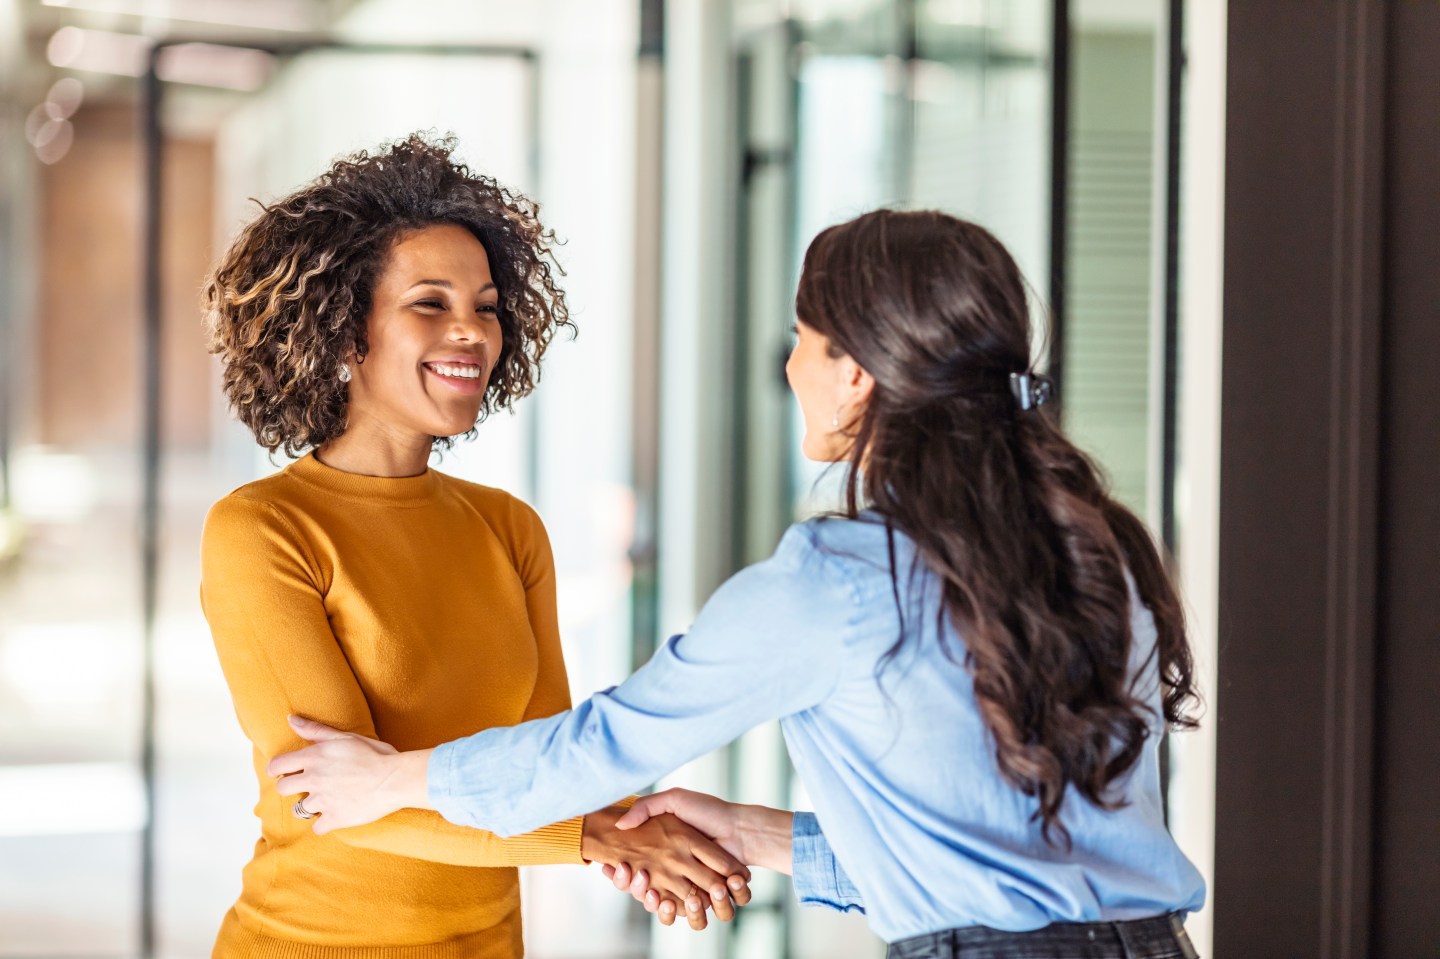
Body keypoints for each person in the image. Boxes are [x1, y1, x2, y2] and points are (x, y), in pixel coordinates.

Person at [272, 209, 1208, 958]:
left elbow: (605, 745)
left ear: (854, 377)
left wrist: (391, 777)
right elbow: (1011, 845)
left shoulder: (835, 581)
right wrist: (753, 833)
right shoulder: (1099, 549)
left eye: (802, 337)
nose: (791, 365)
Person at [199, 133, 749, 959]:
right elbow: (341, 799)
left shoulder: (508, 528)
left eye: (487, 307)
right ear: (347, 334)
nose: (472, 333)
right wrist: (601, 838)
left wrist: (624, 825)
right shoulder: (263, 529)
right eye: (430, 303)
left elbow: (551, 769)